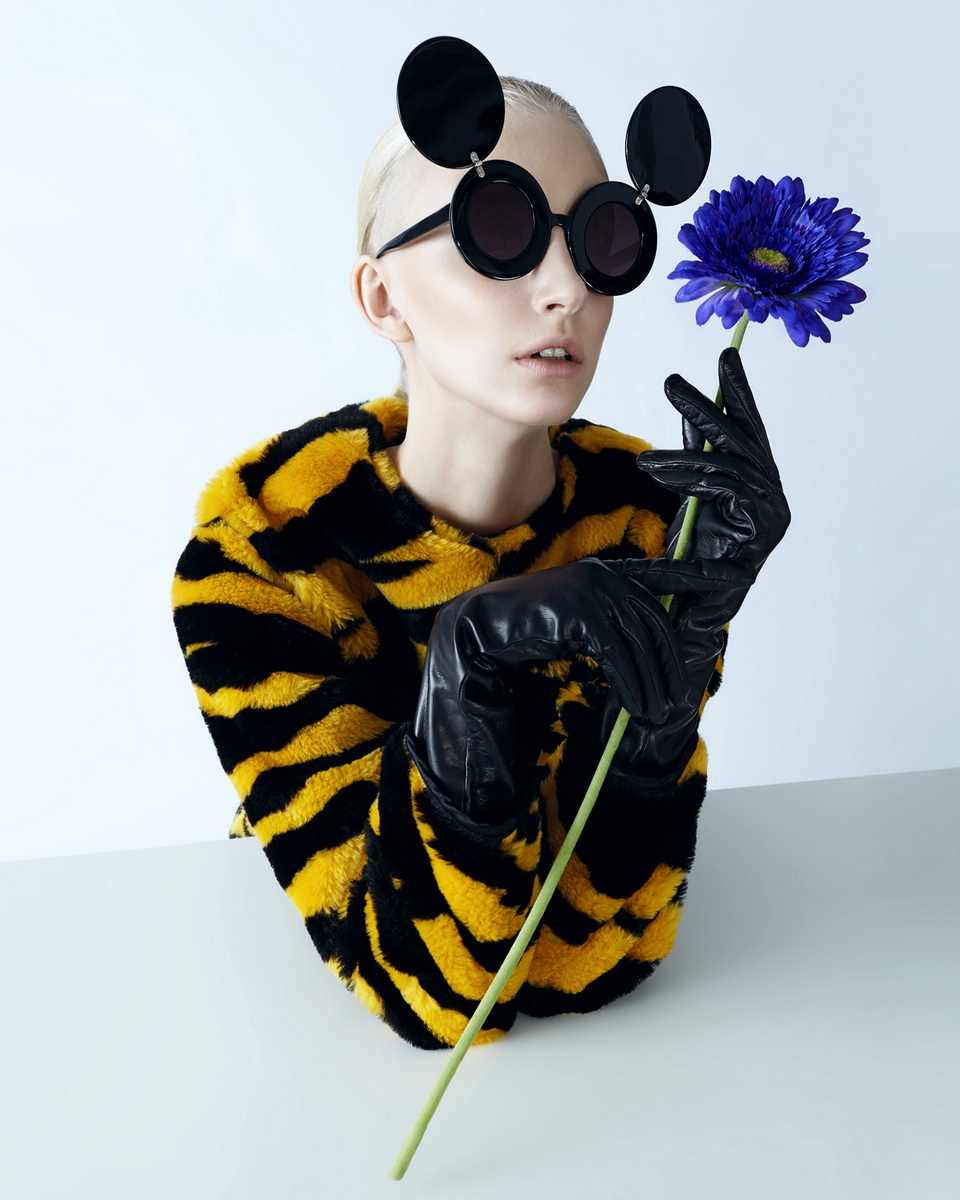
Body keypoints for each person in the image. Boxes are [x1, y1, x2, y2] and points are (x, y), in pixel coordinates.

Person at [171, 57, 789, 1051]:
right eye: (499, 229)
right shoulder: (265, 556)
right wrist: (467, 664)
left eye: (604, 237)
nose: (567, 289)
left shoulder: (646, 521)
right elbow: (432, 997)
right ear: (383, 297)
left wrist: (663, 711)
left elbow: (598, 957)